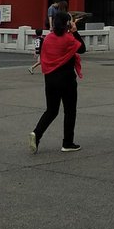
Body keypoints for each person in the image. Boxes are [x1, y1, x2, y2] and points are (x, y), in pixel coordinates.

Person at [29, 10, 86, 153]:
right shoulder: (69, 39)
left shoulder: (48, 38)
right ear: (67, 24)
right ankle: (67, 143)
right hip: (67, 79)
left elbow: (45, 56)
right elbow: (82, 48)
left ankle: (37, 133)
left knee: (51, 110)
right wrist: (75, 31)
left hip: (50, 78)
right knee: (70, 111)